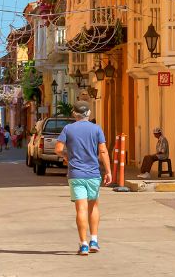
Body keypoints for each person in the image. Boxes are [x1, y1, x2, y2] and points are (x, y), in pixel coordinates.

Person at [54, 102, 113, 256]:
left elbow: (58, 149)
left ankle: (84, 244)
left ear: (74, 114)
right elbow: (103, 151)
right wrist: (108, 171)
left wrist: (66, 156)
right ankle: (94, 240)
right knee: (93, 207)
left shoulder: (68, 129)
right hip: (93, 174)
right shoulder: (96, 129)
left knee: (81, 208)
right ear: (89, 113)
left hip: (76, 174)